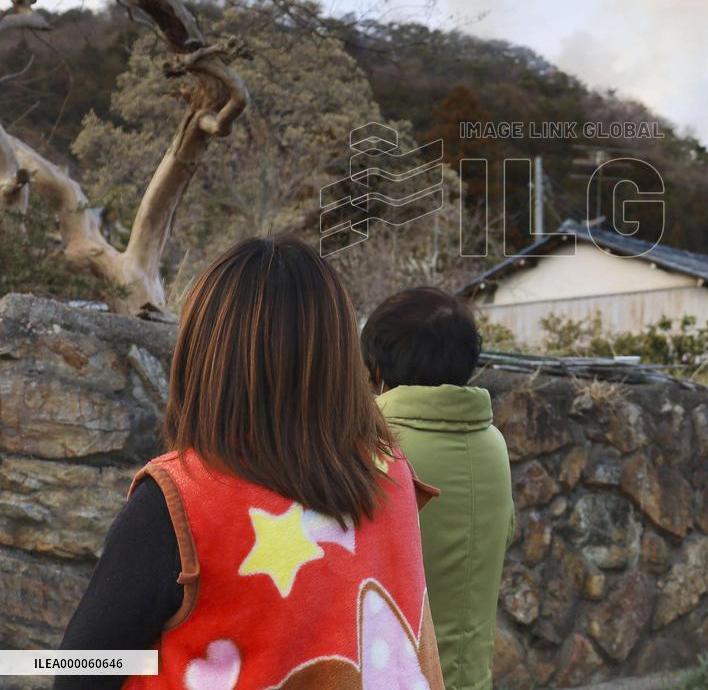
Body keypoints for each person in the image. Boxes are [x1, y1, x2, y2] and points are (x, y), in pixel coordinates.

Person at [58, 235, 444, 690]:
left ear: (205, 356)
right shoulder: (389, 471)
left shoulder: (179, 502)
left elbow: (80, 671)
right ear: (338, 354)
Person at [361, 288, 513, 690]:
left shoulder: (377, 448)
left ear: (378, 369)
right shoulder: (494, 445)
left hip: (397, 677)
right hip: (472, 676)